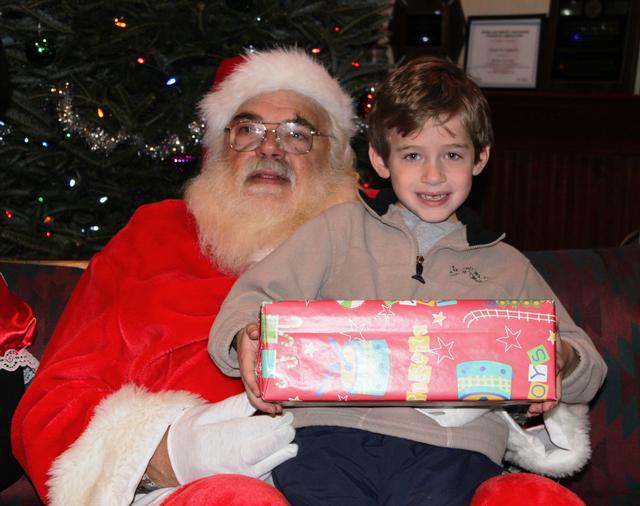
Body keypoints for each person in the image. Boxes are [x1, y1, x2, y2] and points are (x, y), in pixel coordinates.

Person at [209, 56, 608, 506]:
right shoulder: (338, 229)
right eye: (413, 155)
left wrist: (562, 358)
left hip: (455, 450)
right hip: (328, 435)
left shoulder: (506, 264)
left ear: (480, 158)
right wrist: (246, 336)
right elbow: (254, 297)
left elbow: (587, 366)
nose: (433, 176)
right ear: (381, 159)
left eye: (452, 155)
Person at [11, 48, 360, 505]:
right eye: (248, 129)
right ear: (218, 149)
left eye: (297, 133)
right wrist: (165, 452)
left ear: (333, 158)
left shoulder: (375, 248)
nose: (269, 147)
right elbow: (49, 404)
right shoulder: (153, 235)